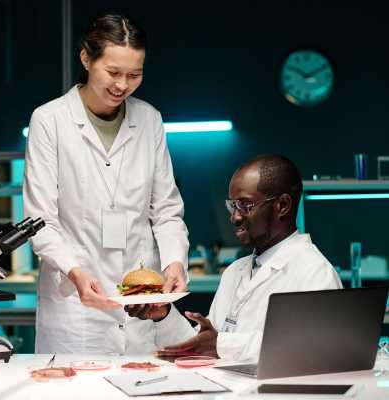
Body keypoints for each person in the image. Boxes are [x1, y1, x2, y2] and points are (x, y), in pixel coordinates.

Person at [23, 14, 189, 354]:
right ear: (86, 58)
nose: (122, 85)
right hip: (76, 310)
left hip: (140, 305)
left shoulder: (149, 120)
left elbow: (167, 210)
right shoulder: (50, 120)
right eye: (113, 72)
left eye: (134, 74)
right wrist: (76, 272)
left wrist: (174, 262)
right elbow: (40, 222)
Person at [126, 155, 342, 362]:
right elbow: (202, 347)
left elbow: (313, 349)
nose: (235, 216)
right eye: (232, 205)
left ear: (282, 206)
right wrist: (163, 314)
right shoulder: (235, 271)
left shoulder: (315, 273)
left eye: (245, 206)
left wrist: (222, 344)